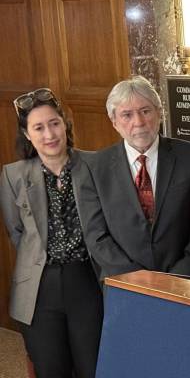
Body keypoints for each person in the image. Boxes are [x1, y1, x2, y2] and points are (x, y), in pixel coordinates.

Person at [0, 89, 102, 377]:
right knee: (50, 369)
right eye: (39, 127)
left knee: (93, 367)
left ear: (65, 124)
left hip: (86, 280)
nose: (49, 134)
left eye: (54, 123)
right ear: (27, 134)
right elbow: (17, 232)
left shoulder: (95, 165)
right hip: (38, 288)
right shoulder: (13, 175)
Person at [79, 76, 190, 279]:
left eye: (145, 111)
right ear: (114, 122)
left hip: (185, 282)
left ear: (159, 113)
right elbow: (96, 237)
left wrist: (178, 276)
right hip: (124, 284)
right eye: (127, 115)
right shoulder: (94, 168)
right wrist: (138, 279)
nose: (138, 122)